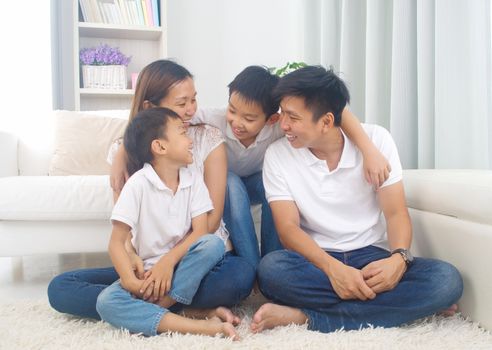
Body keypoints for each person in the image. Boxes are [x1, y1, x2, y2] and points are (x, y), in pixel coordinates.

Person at [251, 66, 463, 333]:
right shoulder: (278, 155)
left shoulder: (377, 141)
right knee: (271, 271)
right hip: (317, 261)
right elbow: (288, 229)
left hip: (371, 255)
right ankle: (396, 307)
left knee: (447, 281)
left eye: (292, 117)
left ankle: (307, 318)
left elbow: (396, 213)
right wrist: (334, 270)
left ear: (327, 121)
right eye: (282, 114)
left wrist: (399, 260)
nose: (283, 125)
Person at [48, 60, 255, 321]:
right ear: (150, 107)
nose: (191, 110)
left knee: (239, 278)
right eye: (182, 104)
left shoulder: (208, 140)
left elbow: (209, 224)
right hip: (147, 264)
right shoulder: (128, 154)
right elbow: (124, 231)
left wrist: (168, 263)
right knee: (61, 288)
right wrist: (135, 262)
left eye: (194, 99)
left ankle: (140, 305)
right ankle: (179, 304)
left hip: (197, 260)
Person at [192, 65, 392, 268]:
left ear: (271, 119)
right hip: (225, 185)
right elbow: (178, 112)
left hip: (257, 181)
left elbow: (338, 113)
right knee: (231, 182)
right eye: (232, 111)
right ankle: (250, 263)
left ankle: (272, 256)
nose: (236, 122)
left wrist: (369, 150)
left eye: (249, 118)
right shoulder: (216, 118)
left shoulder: (282, 127)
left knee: (265, 184)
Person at [96, 107, 237, 338]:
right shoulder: (137, 184)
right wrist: (132, 284)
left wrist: (168, 263)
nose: (190, 140)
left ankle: (161, 304)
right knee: (106, 301)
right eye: (182, 133)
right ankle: (200, 325)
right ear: (160, 147)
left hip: (182, 266)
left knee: (213, 244)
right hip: (147, 274)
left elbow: (201, 231)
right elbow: (116, 243)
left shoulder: (193, 179)